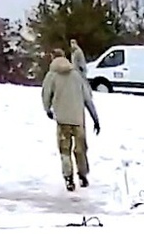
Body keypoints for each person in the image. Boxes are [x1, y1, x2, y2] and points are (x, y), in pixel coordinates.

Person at [41, 50, 100, 191]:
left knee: (65, 151)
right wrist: (95, 118)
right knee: (81, 150)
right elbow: (87, 98)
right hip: (78, 119)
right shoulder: (76, 75)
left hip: (62, 120)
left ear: (52, 58)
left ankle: (68, 178)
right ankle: (83, 175)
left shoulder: (51, 75)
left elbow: (45, 94)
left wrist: (48, 110)